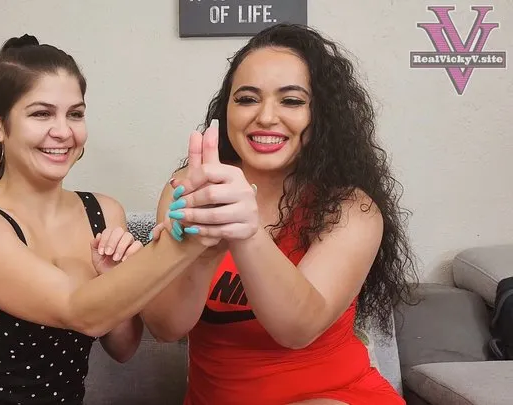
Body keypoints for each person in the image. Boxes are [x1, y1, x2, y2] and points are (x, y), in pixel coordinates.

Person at [142, 24, 418, 404]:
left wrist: (246, 232)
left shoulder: (352, 208)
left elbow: (296, 329)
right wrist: (199, 253)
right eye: (247, 99)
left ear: (321, 114)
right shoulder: (188, 188)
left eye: (291, 101)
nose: (266, 117)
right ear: (227, 109)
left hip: (333, 397)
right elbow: (166, 327)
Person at [0, 34, 208, 404]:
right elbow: (80, 312)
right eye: (41, 113)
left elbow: (124, 347)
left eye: (75, 114)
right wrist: (185, 242)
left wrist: (115, 275)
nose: (64, 131)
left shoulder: (105, 211)